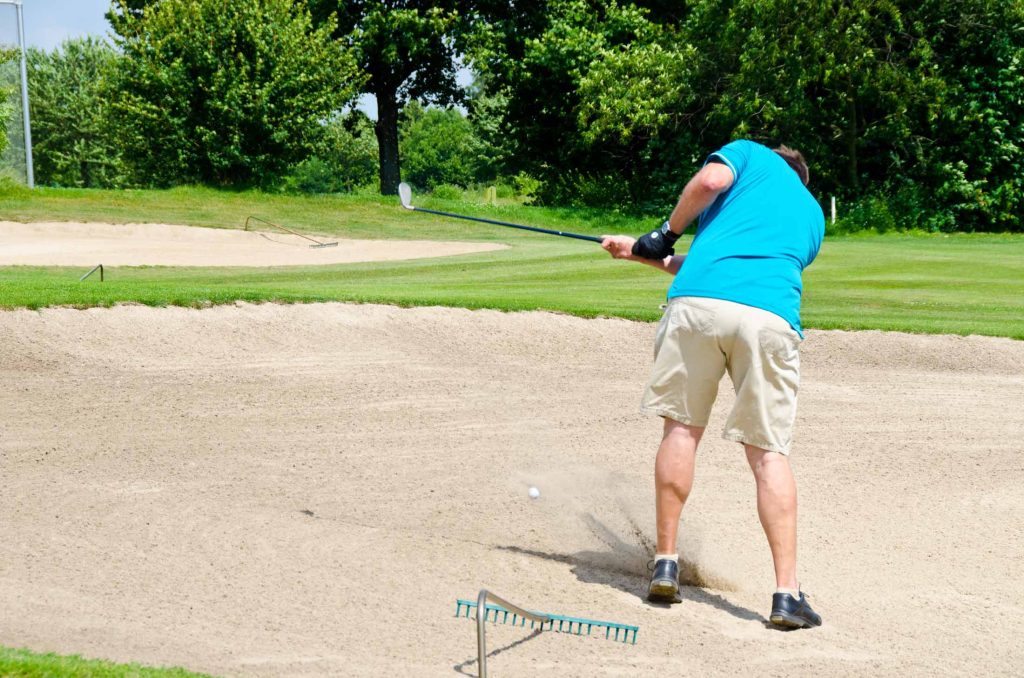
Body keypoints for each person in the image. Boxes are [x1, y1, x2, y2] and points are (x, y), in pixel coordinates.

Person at [601, 140, 824, 629]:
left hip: (696, 312)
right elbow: (732, 266)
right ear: (801, 179)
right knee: (768, 454)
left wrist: (664, 233)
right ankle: (786, 596)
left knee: (681, 431)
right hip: (767, 319)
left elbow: (709, 183)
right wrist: (635, 252)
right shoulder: (813, 216)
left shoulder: (748, 154)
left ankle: (665, 564)